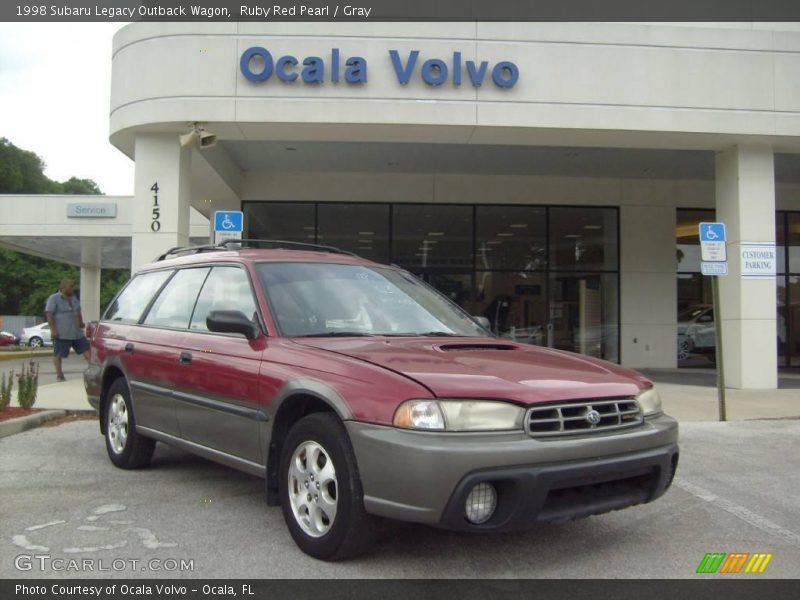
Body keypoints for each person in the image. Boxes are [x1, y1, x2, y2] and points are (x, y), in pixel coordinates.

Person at [45, 278, 90, 382]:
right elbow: (49, 314)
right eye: (70, 286)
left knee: (87, 350)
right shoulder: (54, 298)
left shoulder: (74, 298)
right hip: (62, 333)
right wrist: (53, 330)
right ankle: (60, 375)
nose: (72, 289)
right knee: (58, 354)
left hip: (77, 333)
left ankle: (93, 371)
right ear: (63, 287)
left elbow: (78, 311)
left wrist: (80, 323)